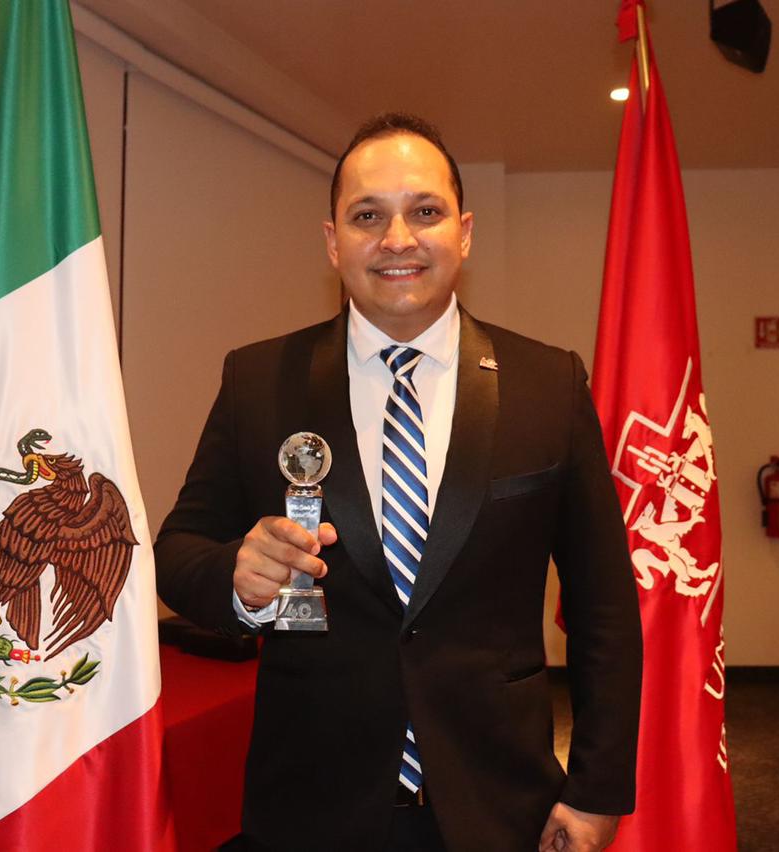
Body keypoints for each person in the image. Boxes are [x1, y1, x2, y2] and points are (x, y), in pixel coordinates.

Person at [154, 113, 642, 852]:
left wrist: (600, 788)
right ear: (333, 241)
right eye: (367, 216)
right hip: (313, 806)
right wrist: (237, 575)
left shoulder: (549, 384)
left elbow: (605, 607)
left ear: (464, 231)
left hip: (497, 804)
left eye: (425, 211)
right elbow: (178, 550)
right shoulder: (259, 380)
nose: (397, 239)